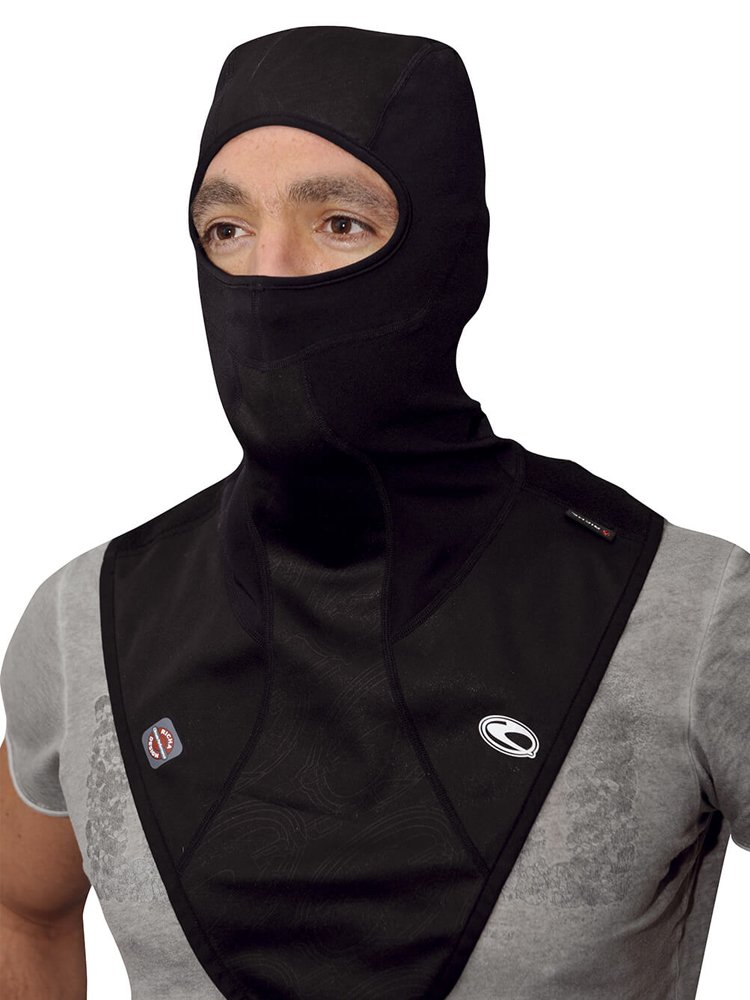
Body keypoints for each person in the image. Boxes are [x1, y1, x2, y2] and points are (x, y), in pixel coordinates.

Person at [0, 24, 747, 1000]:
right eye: (227, 229)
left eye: (340, 224)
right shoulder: (86, 621)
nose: (268, 274)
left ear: (449, 253)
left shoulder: (685, 615)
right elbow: (22, 906)